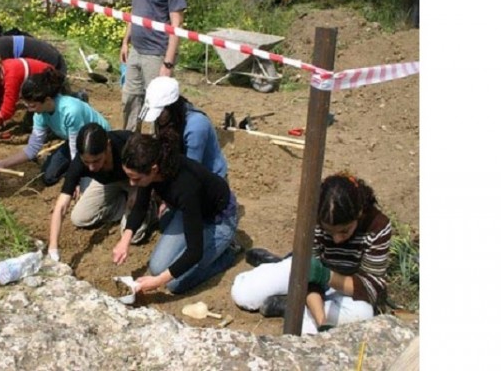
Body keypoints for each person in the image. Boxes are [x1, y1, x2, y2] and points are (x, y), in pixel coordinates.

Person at [230, 172, 392, 334]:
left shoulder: (377, 227)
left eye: (344, 231)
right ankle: (285, 273)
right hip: (314, 276)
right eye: (329, 232)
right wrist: (320, 314)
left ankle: (289, 305)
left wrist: (326, 278)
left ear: (359, 213)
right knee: (243, 294)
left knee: (363, 315)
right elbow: (310, 277)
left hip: (347, 291)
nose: (337, 240)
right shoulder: (315, 217)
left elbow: (371, 288)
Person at [112, 133, 239, 295]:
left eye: (135, 179)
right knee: (157, 267)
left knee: (175, 284)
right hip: (191, 211)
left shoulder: (186, 187)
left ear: (154, 169)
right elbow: (140, 206)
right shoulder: (151, 168)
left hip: (219, 219)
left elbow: (194, 252)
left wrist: (157, 282)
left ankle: (229, 252)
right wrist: (125, 239)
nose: (131, 183)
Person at [0, 69, 110, 186]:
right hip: (75, 141)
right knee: (49, 177)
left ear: (47, 100)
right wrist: (3, 164)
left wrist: (74, 181)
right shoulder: (39, 114)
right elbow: (32, 149)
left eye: (32, 105)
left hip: (97, 142)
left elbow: (76, 151)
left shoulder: (70, 112)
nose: (29, 110)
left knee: (89, 178)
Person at [47, 123, 144, 261]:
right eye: (86, 162)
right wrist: (53, 247)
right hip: (108, 182)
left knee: (133, 234)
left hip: (135, 180)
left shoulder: (128, 147)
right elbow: (62, 205)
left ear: (108, 146)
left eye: (97, 160)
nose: (91, 168)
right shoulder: (80, 163)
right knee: (79, 218)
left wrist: (141, 192)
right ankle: (123, 203)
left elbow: (151, 172)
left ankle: (146, 208)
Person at [120, 0, 186, 131]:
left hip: (157, 55)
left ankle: (156, 153)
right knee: (129, 102)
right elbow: (136, 10)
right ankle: (130, 146)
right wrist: (125, 41)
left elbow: (177, 23)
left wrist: (168, 62)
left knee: (156, 111)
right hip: (136, 51)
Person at [139, 76, 227, 178]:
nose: (157, 119)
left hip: (208, 179)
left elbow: (191, 170)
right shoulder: (166, 119)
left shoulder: (196, 126)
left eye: (159, 114)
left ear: (171, 107)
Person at [0, 34, 67, 77]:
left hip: (53, 63)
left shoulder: (1, 53)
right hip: (52, 55)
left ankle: (76, 96)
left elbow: (3, 82)